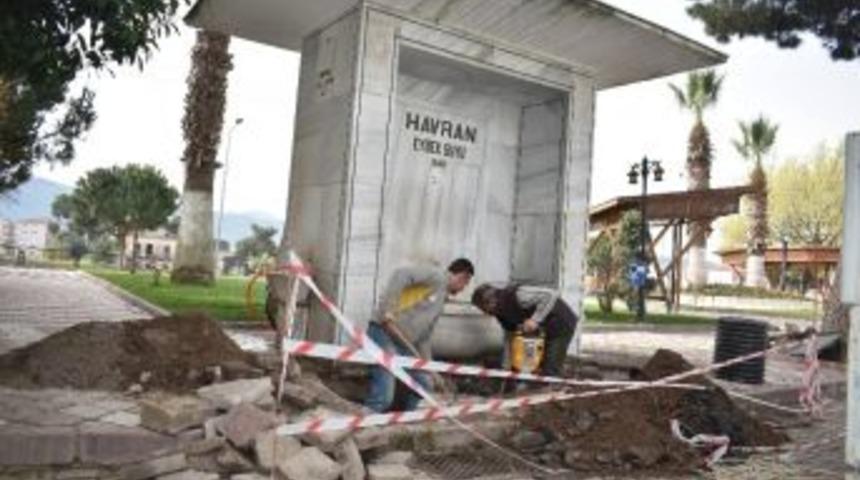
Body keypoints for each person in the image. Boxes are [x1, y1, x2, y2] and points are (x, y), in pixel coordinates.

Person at [365, 258, 474, 412]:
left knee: (423, 384)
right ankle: (364, 423)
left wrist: (430, 367)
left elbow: (424, 339)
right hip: (384, 333)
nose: (463, 288)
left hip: (403, 344)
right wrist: (387, 310)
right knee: (383, 397)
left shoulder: (441, 300)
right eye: (465, 284)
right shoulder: (437, 276)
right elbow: (401, 274)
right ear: (463, 276)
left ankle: (402, 420)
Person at [471, 283, 578, 377]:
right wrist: (506, 368)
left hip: (562, 322)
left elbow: (550, 295)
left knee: (551, 365)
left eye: (483, 308)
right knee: (535, 364)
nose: (484, 312)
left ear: (490, 302)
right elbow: (509, 337)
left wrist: (535, 320)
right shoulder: (500, 314)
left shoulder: (518, 295)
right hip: (545, 329)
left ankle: (553, 392)